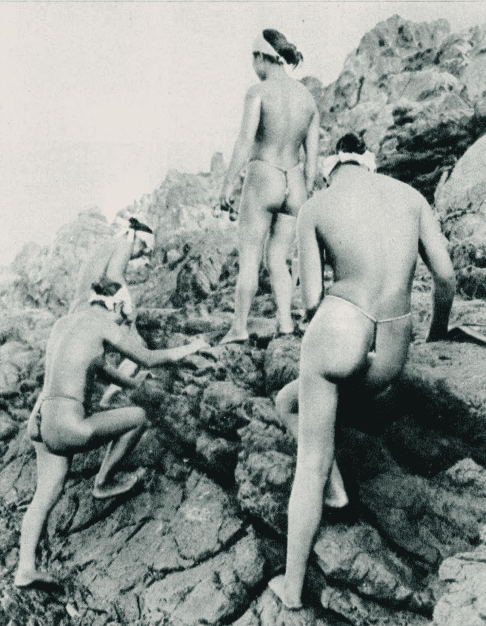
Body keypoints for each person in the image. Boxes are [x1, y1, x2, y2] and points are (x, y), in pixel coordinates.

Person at [269, 133, 455, 609]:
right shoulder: (410, 197)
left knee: (308, 460)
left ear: (331, 169)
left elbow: (311, 301)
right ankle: (335, 488)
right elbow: (446, 277)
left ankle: (291, 589)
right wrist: (437, 332)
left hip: (339, 330)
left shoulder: (317, 205)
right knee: (286, 402)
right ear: (368, 165)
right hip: (390, 351)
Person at [15, 279, 208, 590]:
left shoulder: (66, 323)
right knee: (138, 417)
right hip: (69, 425)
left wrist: (134, 385)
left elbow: (94, 367)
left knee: (44, 496)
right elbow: (147, 357)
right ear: (117, 306)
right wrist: (192, 346)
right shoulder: (104, 324)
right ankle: (104, 482)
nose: (123, 324)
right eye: (124, 318)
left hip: (41, 421)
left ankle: (25, 569)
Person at [219, 29, 319, 344]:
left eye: (253, 57)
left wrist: (227, 184)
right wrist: (305, 190)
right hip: (295, 181)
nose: (252, 64)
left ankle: (238, 328)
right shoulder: (308, 100)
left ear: (263, 57)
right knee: (279, 258)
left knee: (250, 255)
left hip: (264, 176)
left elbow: (245, 142)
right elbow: (312, 161)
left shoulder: (258, 92)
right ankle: (286, 324)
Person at [70, 216, 156, 407]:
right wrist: (128, 307)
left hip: (80, 310)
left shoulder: (111, 243)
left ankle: (97, 401)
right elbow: (114, 275)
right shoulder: (126, 242)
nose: (139, 256)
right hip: (88, 309)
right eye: (142, 251)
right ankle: (110, 397)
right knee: (137, 345)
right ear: (138, 240)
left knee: (92, 361)